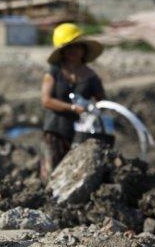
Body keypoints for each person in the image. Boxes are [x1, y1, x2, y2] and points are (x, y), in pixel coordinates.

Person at [39, 23, 106, 180]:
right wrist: (72, 108)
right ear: (62, 52)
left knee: (73, 175)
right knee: (50, 173)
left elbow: (102, 102)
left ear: (83, 50)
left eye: (77, 47)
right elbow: (46, 100)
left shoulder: (91, 77)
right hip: (54, 131)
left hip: (79, 134)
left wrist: (91, 108)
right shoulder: (54, 72)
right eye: (69, 48)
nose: (73, 51)